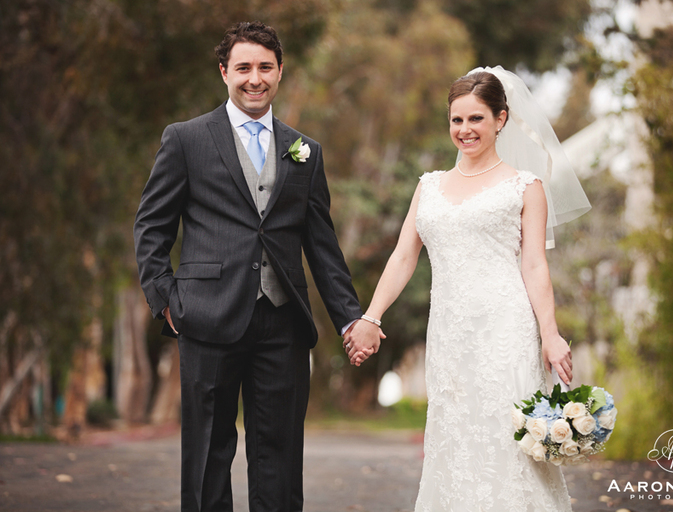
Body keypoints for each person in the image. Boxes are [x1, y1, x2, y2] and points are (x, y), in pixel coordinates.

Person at [134, 21, 382, 512]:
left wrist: (350, 318)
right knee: (208, 453)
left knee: (280, 457)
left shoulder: (305, 150)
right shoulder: (185, 139)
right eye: (243, 67)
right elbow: (151, 227)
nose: (255, 78)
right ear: (224, 72)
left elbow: (322, 246)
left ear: (280, 72)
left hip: (283, 323)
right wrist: (166, 301)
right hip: (205, 316)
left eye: (265, 67)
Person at [344, 68, 590, 510]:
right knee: (455, 440)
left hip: (507, 331)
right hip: (449, 335)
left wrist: (551, 335)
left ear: (501, 119)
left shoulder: (526, 186)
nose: (465, 129)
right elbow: (403, 257)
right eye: (456, 120)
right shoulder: (428, 186)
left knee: (507, 441)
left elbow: (535, 264)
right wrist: (371, 316)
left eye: (476, 118)